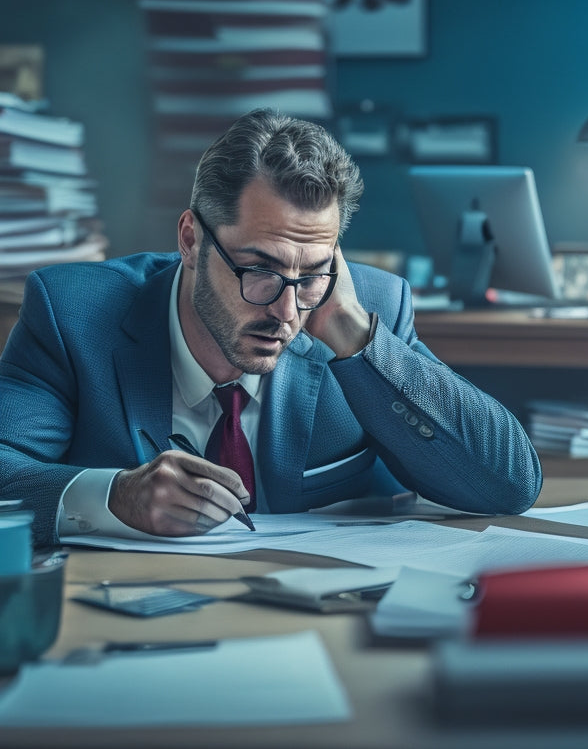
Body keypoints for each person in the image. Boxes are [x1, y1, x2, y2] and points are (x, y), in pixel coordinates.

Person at [0, 108, 542, 548]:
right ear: (190, 240)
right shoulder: (72, 311)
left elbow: (509, 484)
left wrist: (354, 334)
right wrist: (115, 497)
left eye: (310, 273)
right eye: (260, 269)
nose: (286, 312)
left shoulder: (367, 308)